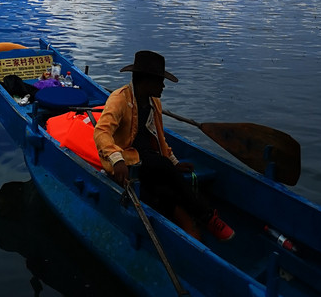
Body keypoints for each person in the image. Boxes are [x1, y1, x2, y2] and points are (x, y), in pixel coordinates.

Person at [93, 50, 234, 241]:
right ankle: (206, 215)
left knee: (162, 185)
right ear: (145, 81)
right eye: (159, 81)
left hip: (148, 159)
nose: (163, 86)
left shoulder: (154, 103)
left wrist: (174, 162)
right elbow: (101, 132)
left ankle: (187, 223)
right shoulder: (119, 99)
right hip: (127, 161)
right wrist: (116, 160)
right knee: (163, 166)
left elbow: (160, 138)